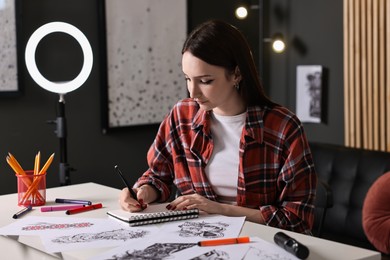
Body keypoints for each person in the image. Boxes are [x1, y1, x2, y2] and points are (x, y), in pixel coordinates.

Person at [119, 20, 317, 235]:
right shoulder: (181, 116)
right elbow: (158, 176)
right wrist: (142, 192)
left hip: (259, 244)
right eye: (187, 79)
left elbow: (297, 218)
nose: (193, 93)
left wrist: (222, 210)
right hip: (192, 238)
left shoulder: (283, 127)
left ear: (237, 75)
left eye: (205, 81)